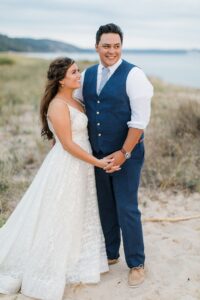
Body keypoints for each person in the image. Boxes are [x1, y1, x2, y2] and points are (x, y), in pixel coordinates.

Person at [0, 57, 121, 300]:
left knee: (77, 211)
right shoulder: (57, 105)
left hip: (81, 164)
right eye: (74, 72)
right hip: (69, 163)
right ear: (61, 79)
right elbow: (66, 144)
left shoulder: (74, 100)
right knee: (58, 212)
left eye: (78, 71)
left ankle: (76, 257)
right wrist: (97, 162)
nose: (79, 75)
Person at [75, 23, 153, 287]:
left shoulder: (134, 76)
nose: (112, 51)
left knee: (126, 207)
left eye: (116, 46)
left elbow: (139, 123)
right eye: (106, 46)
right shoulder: (87, 75)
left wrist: (123, 153)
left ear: (122, 46)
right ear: (96, 46)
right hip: (96, 155)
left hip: (126, 154)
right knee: (105, 205)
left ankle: (136, 262)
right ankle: (110, 253)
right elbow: (77, 104)